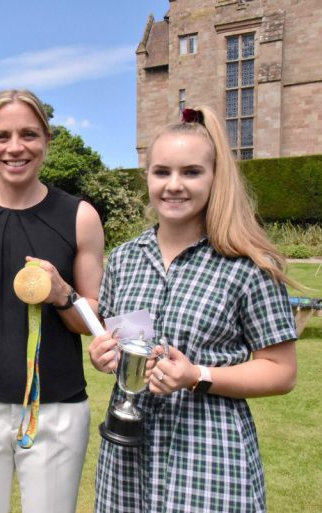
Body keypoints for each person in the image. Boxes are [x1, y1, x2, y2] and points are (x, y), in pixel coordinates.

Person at [88, 106, 297, 512]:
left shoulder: (248, 265)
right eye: (161, 172)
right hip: (127, 456)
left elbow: (282, 371)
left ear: (215, 178)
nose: (174, 185)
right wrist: (105, 357)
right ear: (147, 177)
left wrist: (197, 376)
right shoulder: (124, 260)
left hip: (208, 456)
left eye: (191, 172)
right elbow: (128, 347)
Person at [0, 89, 105, 513]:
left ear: (47, 139)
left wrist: (63, 295)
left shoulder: (79, 216)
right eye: (2, 136)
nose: (15, 147)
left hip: (56, 408)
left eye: (29, 134)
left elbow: (92, 320)